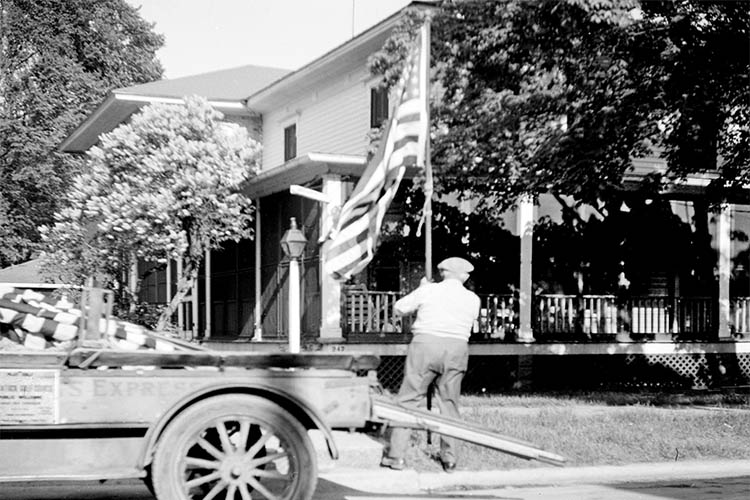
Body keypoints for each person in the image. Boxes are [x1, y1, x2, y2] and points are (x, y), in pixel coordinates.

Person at [380, 257, 481, 472]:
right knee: (449, 402)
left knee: (409, 399)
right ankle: (450, 459)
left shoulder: (429, 290)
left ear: (443, 272)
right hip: (456, 347)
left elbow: (399, 308)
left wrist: (421, 289)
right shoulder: (473, 299)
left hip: (425, 344)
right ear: (462, 276)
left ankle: (396, 455)